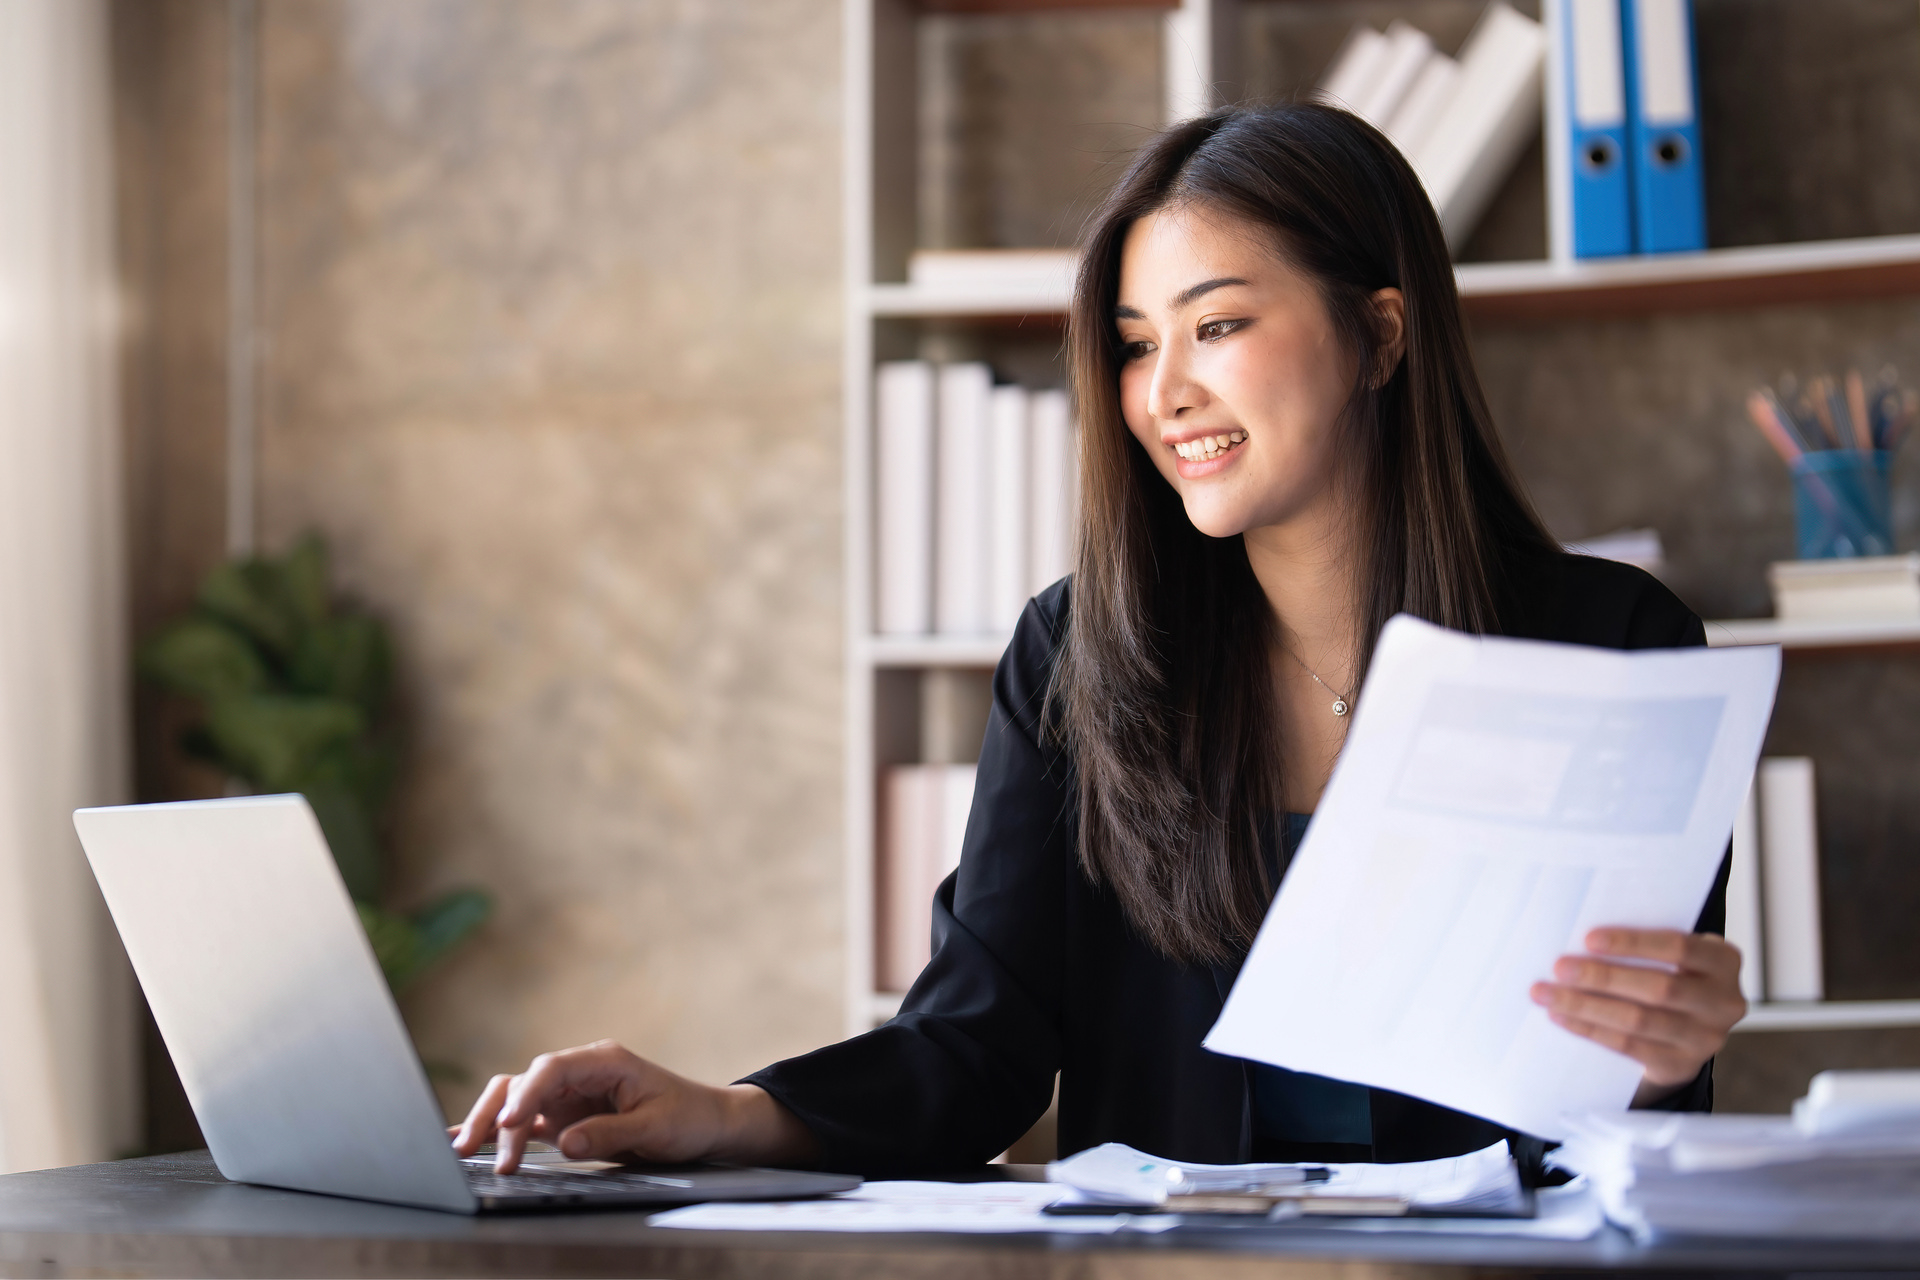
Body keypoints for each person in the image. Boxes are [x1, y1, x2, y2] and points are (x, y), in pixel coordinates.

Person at [452, 102, 1747, 1177]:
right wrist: (720, 1114)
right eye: (1135, 346)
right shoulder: (1080, 658)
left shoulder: (1614, 649)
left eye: (1219, 324)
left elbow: (1626, 1107)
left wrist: (1673, 1053)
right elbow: (977, 1049)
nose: (1166, 390)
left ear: (1381, 334)